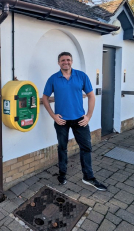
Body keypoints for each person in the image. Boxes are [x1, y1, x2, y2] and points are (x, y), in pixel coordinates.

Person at [42, 52, 107, 191]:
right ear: (58, 63)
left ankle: (88, 177)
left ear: (72, 61)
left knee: (86, 147)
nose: (66, 62)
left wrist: (88, 116)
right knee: (62, 148)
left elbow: (91, 96)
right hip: (62, 121)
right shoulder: (53, 79)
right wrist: (54, 116)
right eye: (63, 60)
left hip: (80, 120)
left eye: (68, 60)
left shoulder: (81, 76)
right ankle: (62, 174)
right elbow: (45, 97)